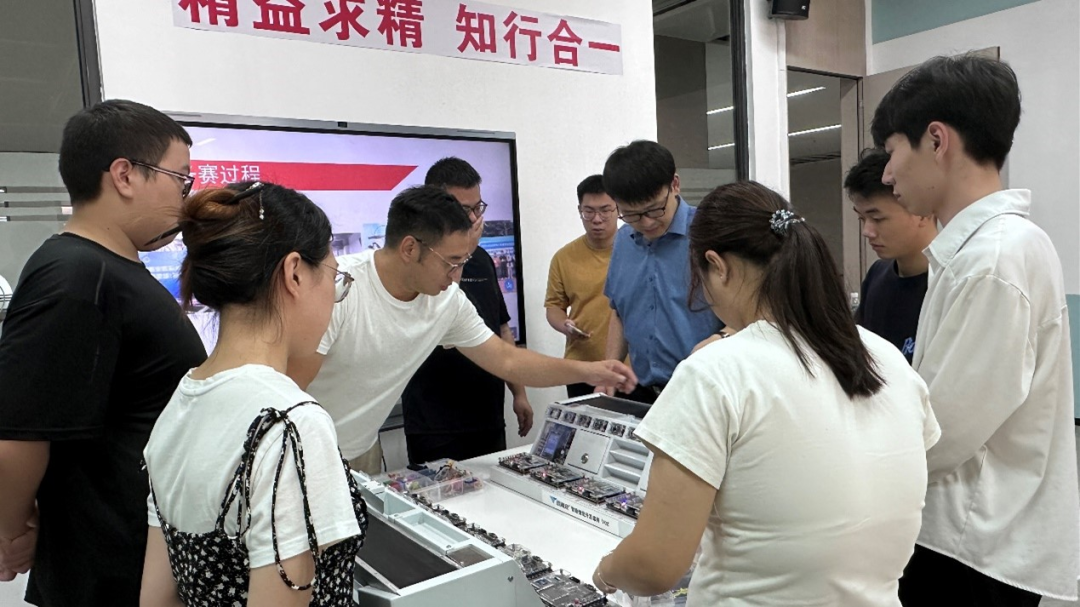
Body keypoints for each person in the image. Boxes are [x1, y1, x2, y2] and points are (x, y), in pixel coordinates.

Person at [591, 181, 939, 606]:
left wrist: (606, 571)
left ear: (717, 266)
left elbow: (653, 565)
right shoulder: (886, 359)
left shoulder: (714, 374)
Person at [872, 54, 1079, 605]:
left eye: (892, 152)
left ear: (937, 140)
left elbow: (943, 429)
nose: (887, 175)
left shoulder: (995, 258)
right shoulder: (983, 250)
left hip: (973, 544)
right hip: (966, 534)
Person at [0, 100, 207, 605]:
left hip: (138, 552)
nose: (185, 196)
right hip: (106, 567)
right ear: (124, 175)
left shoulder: (111, 269)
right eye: (180, 179)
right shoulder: (75, 275)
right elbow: (19, 434)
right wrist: (11, 529)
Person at [287, 185, 636, 474]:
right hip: (297, 451)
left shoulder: (446, 301)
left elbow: (507, 361)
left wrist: (591, 370)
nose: (457, 276)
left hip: (359, 448)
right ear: (409, 248)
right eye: (451, 262)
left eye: (463, 262)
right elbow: (289, 393)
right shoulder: (339, 289)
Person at [140, 182, 365, 606]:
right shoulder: (291, 424)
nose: (335, 299)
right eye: (334, 278)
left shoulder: (180, 406)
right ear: (294, 273)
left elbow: (156, 599)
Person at [401, 158, 533, 465]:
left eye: (478, 208)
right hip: (434, 423)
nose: (474, 219)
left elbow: (501, 328)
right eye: (463, 210)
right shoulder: (416, 263)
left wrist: (519, 393)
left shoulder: (483, 259)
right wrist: (465, 250)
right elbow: (437, 315)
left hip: (487, 415)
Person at [600, 141, 721, 404]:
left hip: (704, 393)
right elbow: (619, 311)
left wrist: (719, 338)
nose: (646, 222)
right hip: (643, 392)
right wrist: (611, 369)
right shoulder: (623, 241)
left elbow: (753, 315)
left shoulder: (711, 234)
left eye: (655, 209)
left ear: (675, 184)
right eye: (631, 214)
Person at [845, 148, 936, 362]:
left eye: (878, 219)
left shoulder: (950, 282)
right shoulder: (877, 277)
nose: (867, 231)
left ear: (921, 211)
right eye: (862, 219)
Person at [545, 175, 619, 398]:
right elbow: (553, 307)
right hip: (581, 367)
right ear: (580, 210)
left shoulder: (636, 249)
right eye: (589, 211)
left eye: (605, 211)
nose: (597, 219)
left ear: (618, 208)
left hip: (627, 367)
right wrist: (565, 325)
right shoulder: (564, 257)